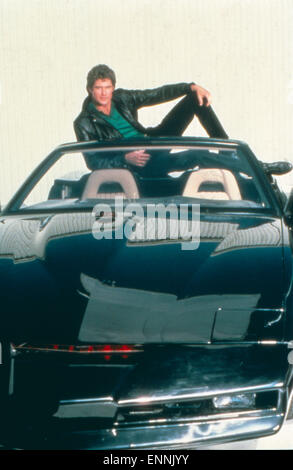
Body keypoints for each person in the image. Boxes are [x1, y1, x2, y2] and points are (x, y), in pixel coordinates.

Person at [74, 64, 228, 172]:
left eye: (107, 88)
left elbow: (155, 94)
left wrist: (190, 87)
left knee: (195, 98)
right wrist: (124, 159)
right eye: (98, 88)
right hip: (140, 162)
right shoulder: (83, 123)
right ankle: (240, 166)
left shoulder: (122, 98)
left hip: (154, 141)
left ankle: (228, 151)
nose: (103, 93)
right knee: (198, 155)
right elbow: (93, 162)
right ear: (90, 90)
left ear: (113, 88)